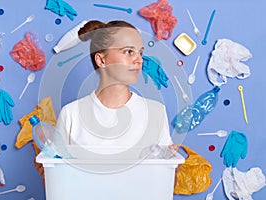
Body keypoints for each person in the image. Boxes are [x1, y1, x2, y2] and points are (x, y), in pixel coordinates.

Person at [56, 20, 177, 153]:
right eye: (129, 52)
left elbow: (165, 171)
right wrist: (46, 171)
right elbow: (58, 169)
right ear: (101, 60)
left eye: (140, 53)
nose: (139, 60)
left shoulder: (155, 113)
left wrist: (173, 163)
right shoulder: (70, 115)